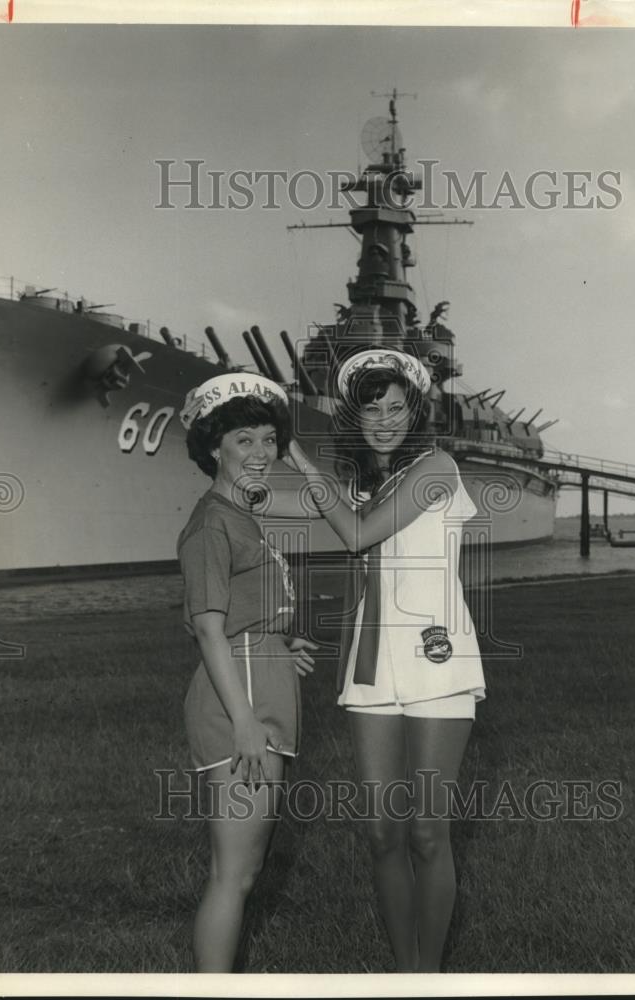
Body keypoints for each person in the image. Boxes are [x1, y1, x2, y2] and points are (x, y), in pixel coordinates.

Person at [285, 348, 486, 973]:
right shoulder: (357, 485)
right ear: (355, 416)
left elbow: (357, 534)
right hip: (372, 668)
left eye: (397, 407)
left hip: (437, 661)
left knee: (427, 834)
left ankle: (427, 977)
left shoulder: (437, 466)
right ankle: (406, 971)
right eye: (371, 410)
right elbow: (341, 541)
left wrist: (297, 457)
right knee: (381, 835)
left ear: (416, 411)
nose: (385, 421)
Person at [177, 372, 318, 973]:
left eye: (269, 440)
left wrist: (281, 644)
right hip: (243, 701)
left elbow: (240, 615)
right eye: (244, 441)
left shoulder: (241, 515)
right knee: (234, 874)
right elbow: (208, 629)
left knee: (244, 870)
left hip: (262, 677)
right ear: (214, 447)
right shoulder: (213, 521)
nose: (261, 454)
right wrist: (244, 723)